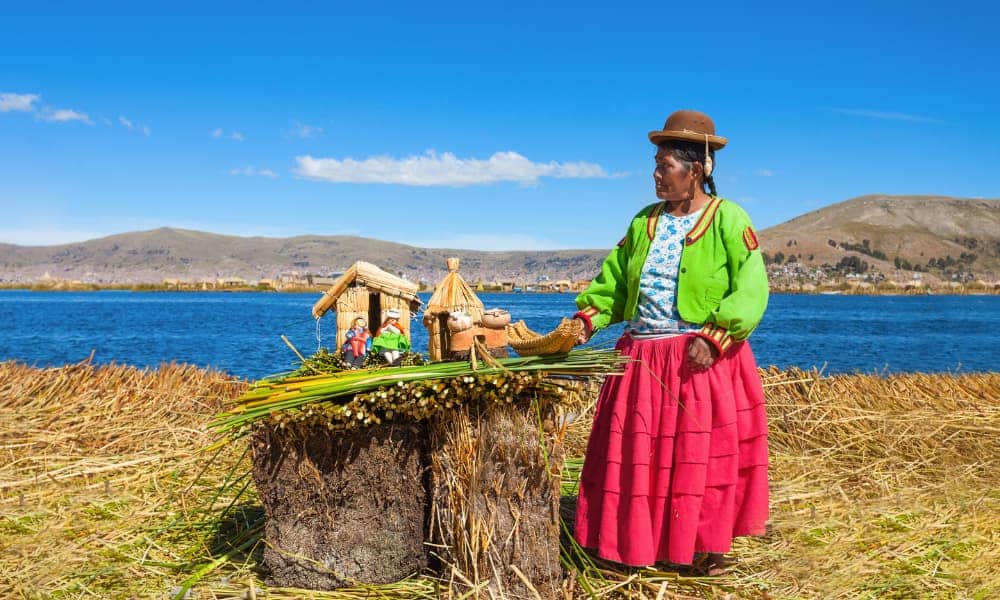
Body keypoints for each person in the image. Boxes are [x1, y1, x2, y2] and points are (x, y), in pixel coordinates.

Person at [571, 110, 769, 575]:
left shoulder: (728, 218)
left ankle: (700, 547)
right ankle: (631, 544)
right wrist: (584, 323)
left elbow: (751, 288)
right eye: (656, 165)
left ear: (696, 169)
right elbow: (615, 283)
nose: (656, 174)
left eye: (665, 166)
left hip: (698, 357)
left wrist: (717, 336)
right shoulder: (644, 223)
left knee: (697, 459)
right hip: (642, 357)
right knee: (638, 457)